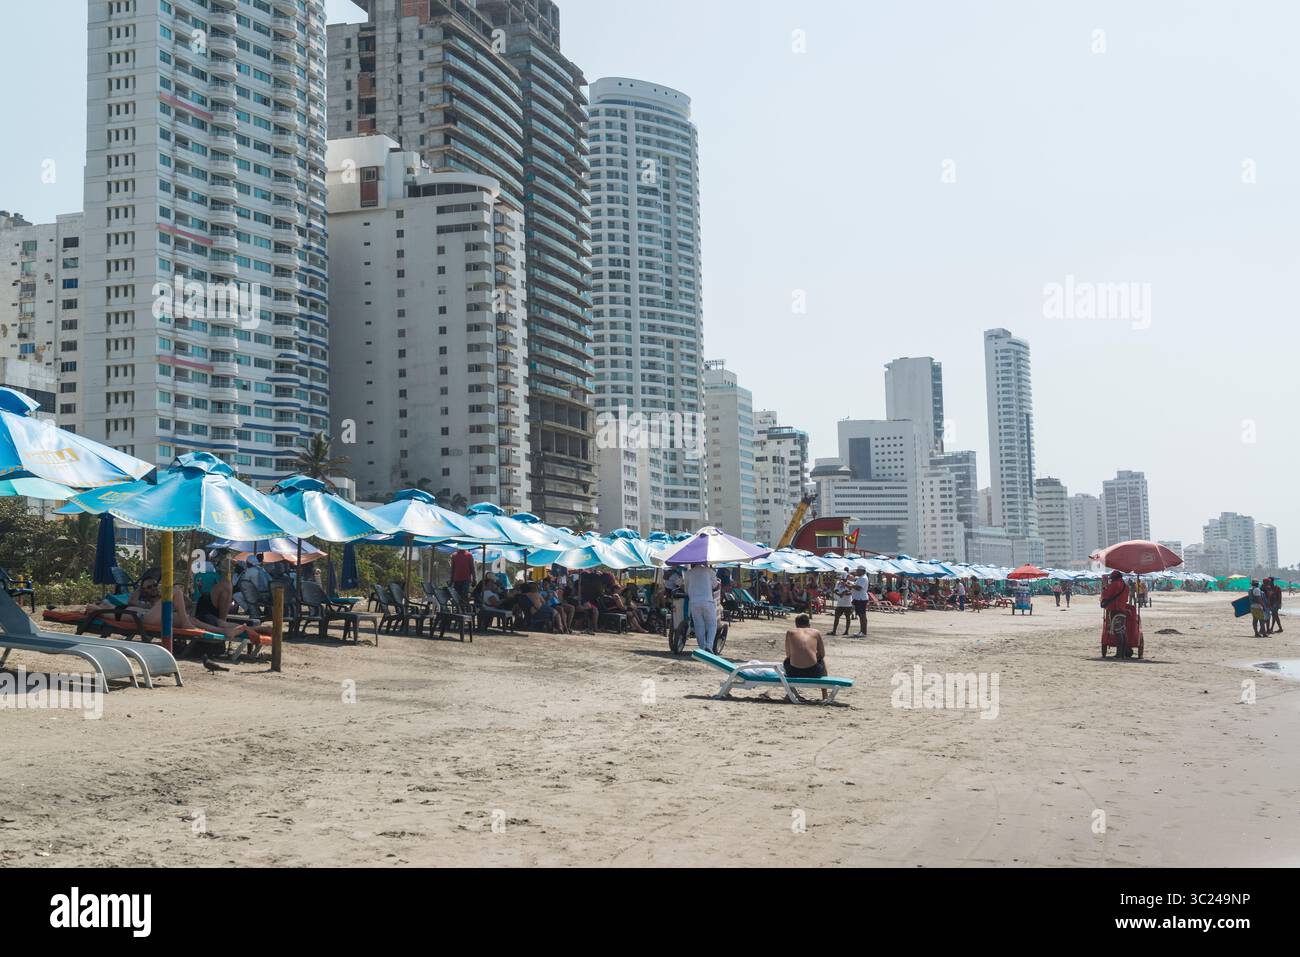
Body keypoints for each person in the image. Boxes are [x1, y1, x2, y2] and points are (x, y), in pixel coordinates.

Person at [784, 614, 830, 701]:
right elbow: (822, 654)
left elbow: (788, 655)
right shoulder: (816, 632)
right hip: (813, 672)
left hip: (794, 672)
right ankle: (824, 694)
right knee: (822, 660)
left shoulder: (790, 632)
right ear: (809, 625)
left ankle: (790, 692)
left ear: (796, 625)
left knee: (786, 660)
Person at [685, 562, 719, 652]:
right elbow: (715, 585)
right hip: (707, 600)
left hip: (694, 602)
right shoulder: (709, 571)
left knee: (699, 625)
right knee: (712, 624)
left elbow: (686, 589)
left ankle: (702, 648)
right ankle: (709, 645)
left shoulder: (688, 573)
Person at [850, 567, 869, 637]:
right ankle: (862, 631)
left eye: (858, 570)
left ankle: (863, 632)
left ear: (863, 571)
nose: (857, 571)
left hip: (861, 599)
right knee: (861, 616)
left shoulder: (863, 578)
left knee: (862, 616)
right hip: (859, 598)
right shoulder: (861, 577)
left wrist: (851, 585)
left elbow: (859, 588)